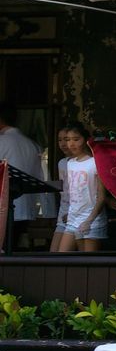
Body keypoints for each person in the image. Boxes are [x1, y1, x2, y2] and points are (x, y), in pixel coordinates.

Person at [0, 101, 50, 244]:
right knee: (13, 245)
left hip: (4, 208)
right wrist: (47, 210)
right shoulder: (33, 144)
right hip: (26, 207)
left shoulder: (2, 141)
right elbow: (43, 177)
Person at [56, 123, 106, 252]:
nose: (71, 144)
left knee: (88, 263)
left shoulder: (95, 162)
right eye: (68, 140)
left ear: (85, 140)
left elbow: (101, 197)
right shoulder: (69, 163)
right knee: (61, 257)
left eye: (76, 139)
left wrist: (89, 220)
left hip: (91, 217)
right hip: (72, 219)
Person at [49, 127, 73, 252]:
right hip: (63, 214)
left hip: (78, 215)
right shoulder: (62, 163)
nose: (63, 144)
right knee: (53, 253)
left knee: (64, 254)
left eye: (67, 139)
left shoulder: (86, 162)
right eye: (60, 140)